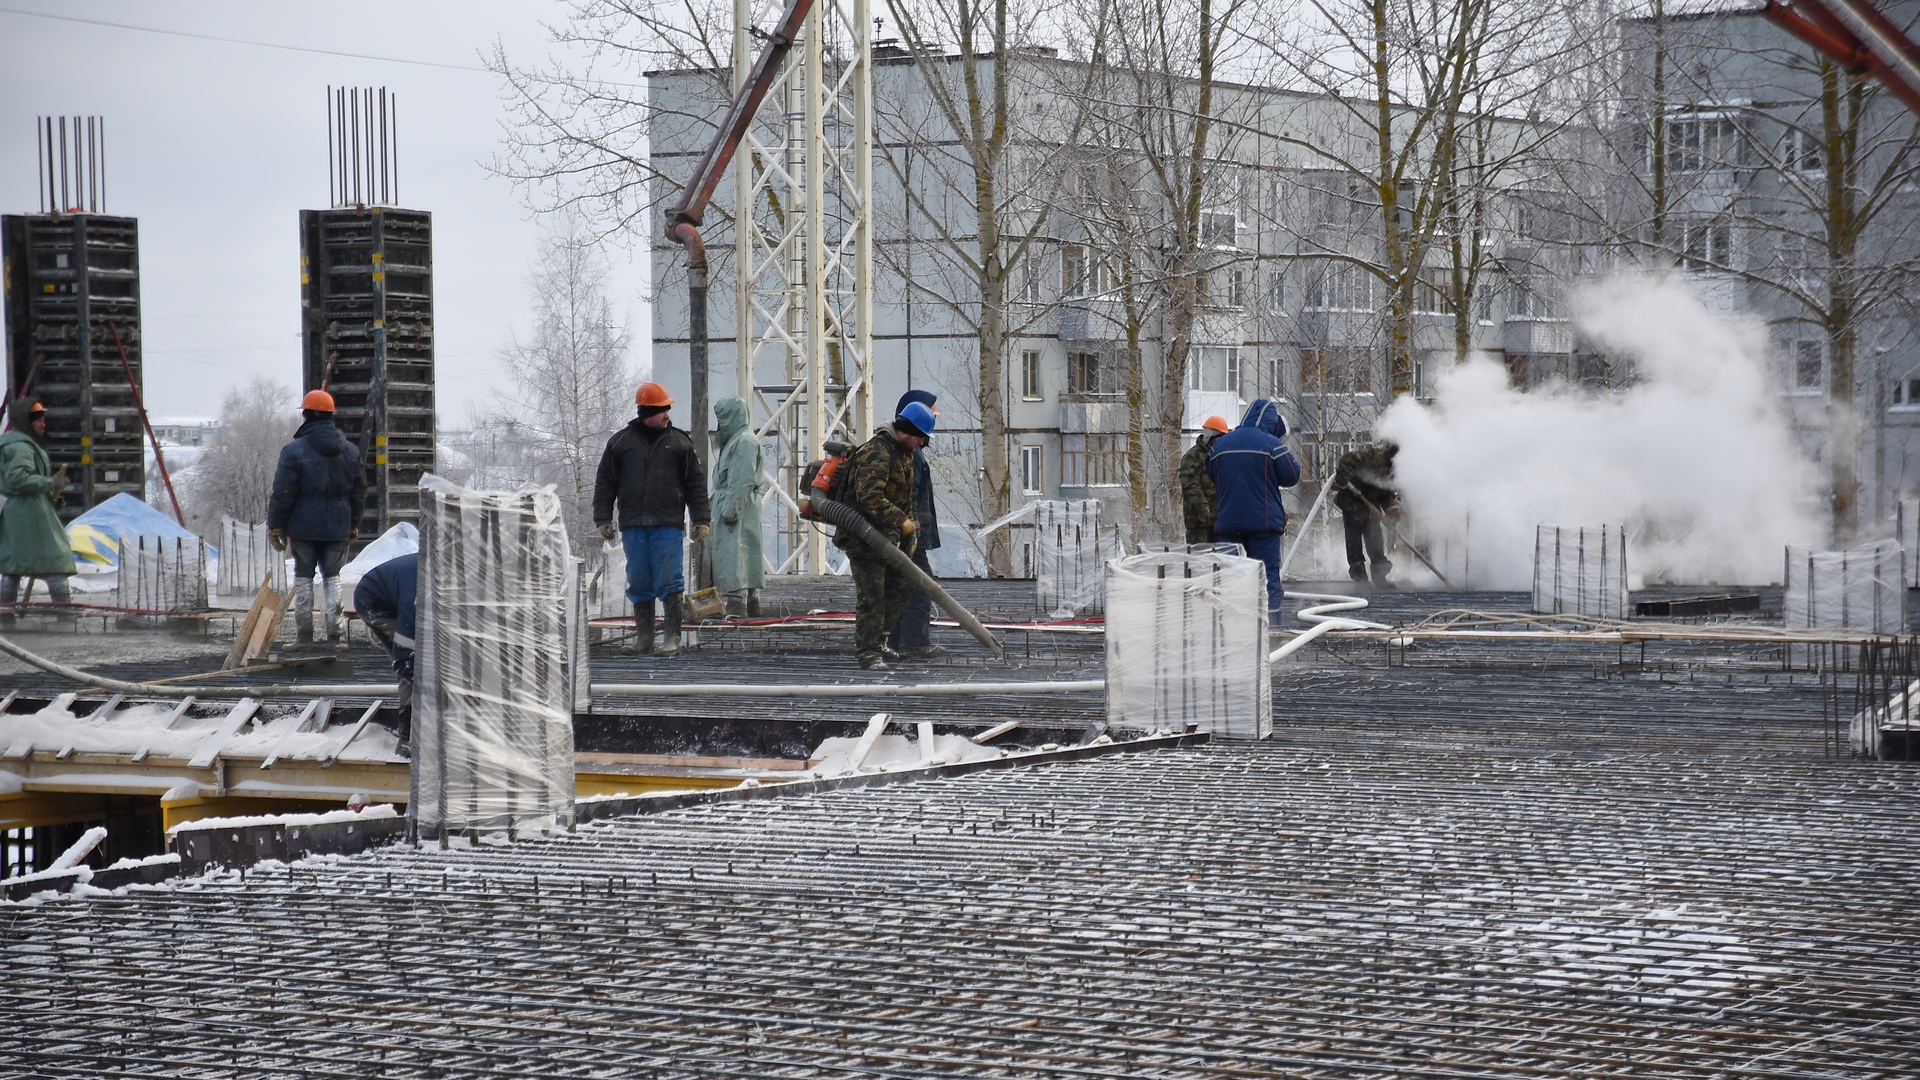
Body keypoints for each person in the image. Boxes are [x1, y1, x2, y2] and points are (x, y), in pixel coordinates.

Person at [593, 381, 711, 656]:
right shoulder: (620, 443)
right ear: (646, 412)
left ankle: (672, 639)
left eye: (668, 409)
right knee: (639, 579)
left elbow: (695, 483)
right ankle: (645, 639)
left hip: (667, 525)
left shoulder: (680, 443)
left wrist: (700, 518)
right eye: (662, 410)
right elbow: (605, 482)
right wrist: (602, 518)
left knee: (670, 579)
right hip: (633, 525)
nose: (668, 415)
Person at [267, 389, 366, 649]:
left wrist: (275, 525)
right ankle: (336, 638)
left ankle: (304, 638)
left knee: (303, 578)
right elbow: (359, 492)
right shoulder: (352, 451)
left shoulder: (294, 451)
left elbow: (283, 493)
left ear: (307, 415)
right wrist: (353, 524)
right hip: (338, 527)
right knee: (332, 579)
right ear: (330, 415)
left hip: (303, 527)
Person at [839, 402, 935, 670]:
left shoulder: (903, 454)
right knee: (873, 595)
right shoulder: (877, 452)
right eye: (921, 437)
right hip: (863, 538)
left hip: (888, 538)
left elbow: (905, 497)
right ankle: (868, 653)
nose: (922, 443)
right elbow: (869, 497)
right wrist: (901, 521)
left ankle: (879, 642)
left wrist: (910, 529)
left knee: (901, 589)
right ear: (909, 430)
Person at [1207, 398, 1301, 623]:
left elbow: (1213, 476)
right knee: (1267, 578)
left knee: (1230, 577)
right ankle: (1270, 634)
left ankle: (1230, 631)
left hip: (1229, 524)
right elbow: (1292, 476)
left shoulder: (1221, 445)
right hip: (1263, 524)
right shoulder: (1271, 444)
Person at [0, 399, 75, 606]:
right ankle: (64, 613)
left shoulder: (19, 443)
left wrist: (52, 497)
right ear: (26, 422)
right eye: (38, 421)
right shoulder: (21, 447)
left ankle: (6, 614)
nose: (43, 425)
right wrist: (50, 482)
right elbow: (18, 479)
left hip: (24, 510)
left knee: (13, 565)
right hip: (28, 512)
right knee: (54, 559)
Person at [887, 390, 944, 658]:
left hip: (907, 533)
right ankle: (914, 643)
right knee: (921, 586)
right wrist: (912, 534)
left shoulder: (909, 453)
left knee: (901, 587)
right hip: (908, 535)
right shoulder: (911, 457)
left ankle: (896, 643)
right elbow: (907, 500)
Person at [353, 552, 417, 757]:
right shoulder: (420, 593)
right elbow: (407, 648)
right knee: (415, 670)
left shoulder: (448, 576)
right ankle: (409, 738)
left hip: (392, 594)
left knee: (420, 671)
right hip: (374, 600)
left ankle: (411, 736)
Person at [708, 395, 763, 618]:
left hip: (734, 508)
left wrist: (730, 509)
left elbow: (741, 480)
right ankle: (743, 604)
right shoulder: (737, 440)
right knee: (739, 555)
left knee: (735, 557)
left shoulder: (744, 441)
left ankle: (736, 607)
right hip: (731, 504)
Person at [1332, 440, 1401, 585]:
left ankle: (1380, 576)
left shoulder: (1395, 472)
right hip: (1351, 503)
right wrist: (1342, 479)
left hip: (1371, 507)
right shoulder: (1374, 456)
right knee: (1353, 540)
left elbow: (1386, 493)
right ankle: (1360, 578)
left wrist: (1391, 512)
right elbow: (1347, 459)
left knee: (1375, 539)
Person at [1179, 415, 1232, 545]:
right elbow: (1190, 485)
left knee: (1218, 560)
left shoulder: (1221, 456)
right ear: (1210, 437)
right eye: (1220, 437)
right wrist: (1202, 509)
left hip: (1219, 521)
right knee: (1200, 560)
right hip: (1198, 522)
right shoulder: (1192, 456)